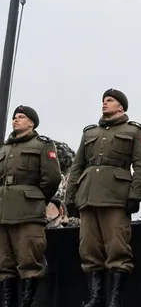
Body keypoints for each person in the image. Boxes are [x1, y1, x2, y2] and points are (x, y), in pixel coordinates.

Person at [66, 89, 141, 307]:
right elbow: (77, 167)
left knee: (117, 248)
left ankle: (115, 299)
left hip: (115, 196)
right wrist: (70, 196)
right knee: (89, 248)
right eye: (103, 100)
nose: (105, 103)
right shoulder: (90, 133)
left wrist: (136, 195)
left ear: (121, 107)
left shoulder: (134, 131)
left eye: (110, 101)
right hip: (88, 195)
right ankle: (96, 297)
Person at [0, 105, 61, 307]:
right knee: (4, 262)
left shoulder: (42, 145)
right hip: (3, 211)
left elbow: (51, 179)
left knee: (29, 260)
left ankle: (27, 303)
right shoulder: (5, 148)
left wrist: (34, 199)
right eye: (14, 117)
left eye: (21, 117)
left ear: (31, 123)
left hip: (28, 213)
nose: (15, 120)